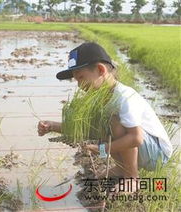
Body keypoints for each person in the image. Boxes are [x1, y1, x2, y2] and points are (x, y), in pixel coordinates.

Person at [37, 42, 172, 192]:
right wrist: (52, 126)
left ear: (101, 69)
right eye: (76, 80)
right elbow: (87, 129)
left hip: (157, 154)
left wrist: (102, 149)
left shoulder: (124, 96)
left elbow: (136, 138)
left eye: (81, 77)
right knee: (100, 123)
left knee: (112, 119)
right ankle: (122, 168)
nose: (79, 85)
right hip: (141, 150)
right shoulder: (99, 99)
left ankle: (131, 178)